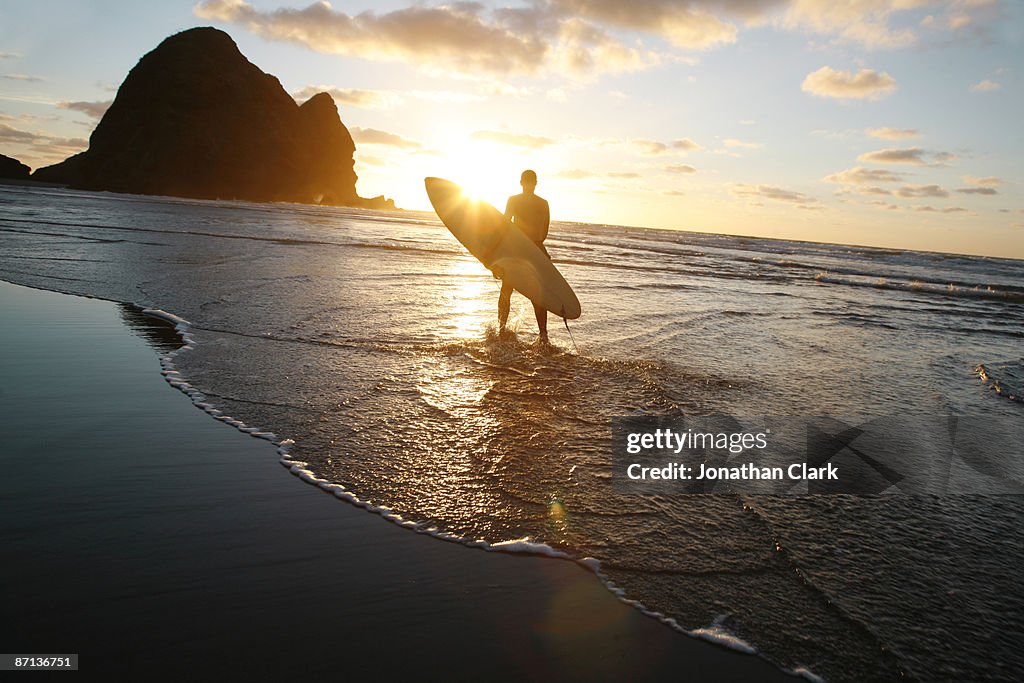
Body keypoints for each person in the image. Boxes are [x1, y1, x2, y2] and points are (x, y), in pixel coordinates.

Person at [499, 169, 550, 343]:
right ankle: (502, 328)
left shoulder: (541, 203)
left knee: (537, 294)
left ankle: (543, 335)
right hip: (524, 249)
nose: (529, 185)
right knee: (507, 288)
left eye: (531, 182)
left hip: (527, 249)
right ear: (522, 183)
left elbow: (544, 232)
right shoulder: (534, 202)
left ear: (535, 183)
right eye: (527, 182)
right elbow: (506, 225)